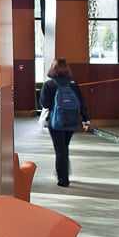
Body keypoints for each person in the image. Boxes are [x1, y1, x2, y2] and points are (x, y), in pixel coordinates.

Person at [39, 58, 91, 188]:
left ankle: (63, 179)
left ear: (53, 69)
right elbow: (82, 103)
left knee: (60, 150)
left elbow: (44, 103)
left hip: (55, 122)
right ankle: (63, 172)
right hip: (71, 122)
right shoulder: (73, 84)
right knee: (64, 148)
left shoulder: (49, 85)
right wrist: (86, 119)